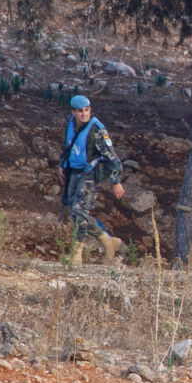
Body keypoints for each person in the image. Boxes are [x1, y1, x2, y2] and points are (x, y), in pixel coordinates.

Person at [58, 95, 126, 264]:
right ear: (73, 112)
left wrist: (115, 181)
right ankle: (107, 241)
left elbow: (112, 158)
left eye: (87, 110)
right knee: (75, 213)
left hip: (90, 173)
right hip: (74, 171)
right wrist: (62, 165)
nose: (84, 114)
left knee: (79, 209)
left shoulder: (97, 130)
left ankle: (76, 255)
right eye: (80, 111)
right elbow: (68, 146)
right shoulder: (70, 123)